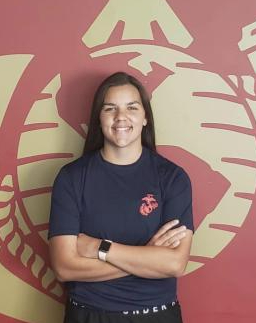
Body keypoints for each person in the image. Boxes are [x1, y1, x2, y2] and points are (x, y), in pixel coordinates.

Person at [48, 71, 194, 323]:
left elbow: (174, 264)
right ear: (99, 118)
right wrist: (146, 256)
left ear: (145, 117)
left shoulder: (172, 178)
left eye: (132, 107)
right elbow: (64, 267)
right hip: (88, 315)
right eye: (110, 109)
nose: (121, 117)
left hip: (156, 315)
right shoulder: (71, 178)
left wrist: (99, 248)